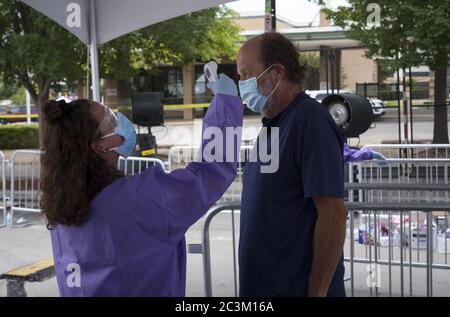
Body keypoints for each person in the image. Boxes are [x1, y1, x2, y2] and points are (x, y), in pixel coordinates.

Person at [40, 74, 242, 296]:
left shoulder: (61, 207)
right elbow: (212, 171)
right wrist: (225, 106)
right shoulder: (142, 198)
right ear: (100, 146)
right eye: (109, 116)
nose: (119, 119)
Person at [237, 32, 348, 297]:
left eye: (246, 74)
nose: (241, 84)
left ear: (277, 73)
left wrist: (317, 292)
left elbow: (333, 215)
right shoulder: (273, 125)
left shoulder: (309, 120)